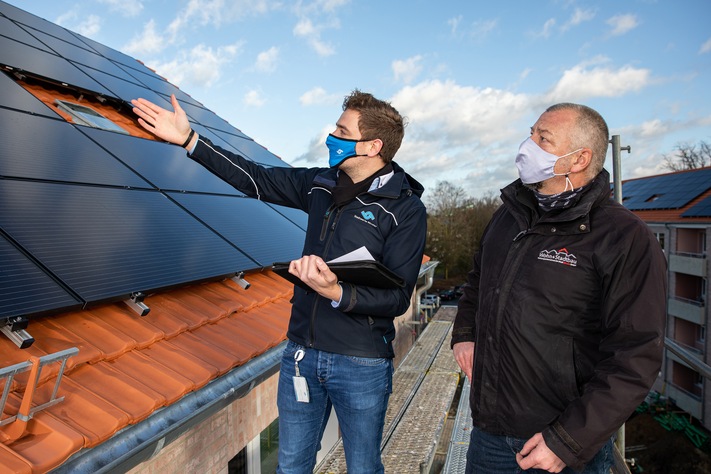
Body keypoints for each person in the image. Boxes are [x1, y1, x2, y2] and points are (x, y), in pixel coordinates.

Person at [132, 90, 427, 474]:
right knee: (290, 466)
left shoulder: (404, 209)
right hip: (301, 354)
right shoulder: (320, 184)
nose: (330, 137)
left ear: (372, 146)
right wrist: (190, 140)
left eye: (341, 130)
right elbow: (256, 179)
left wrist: (335, 291)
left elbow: (398, 298)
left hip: (362, 361)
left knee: (363, 466)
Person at [452, 103, 666, 474]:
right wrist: (465, 333)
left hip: (559, 446)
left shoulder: (624, 237)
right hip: (488, 432)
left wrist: (568, 440)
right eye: (531, 132)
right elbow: (477, 280)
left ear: (579, 158)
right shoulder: (510, 214)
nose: (526, 144)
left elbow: (635, 356)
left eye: (542, 137)